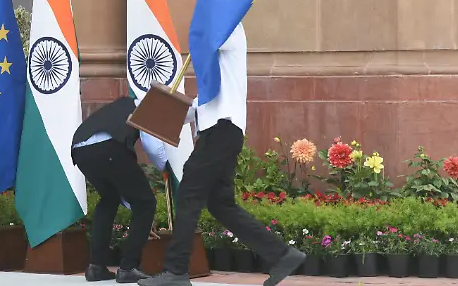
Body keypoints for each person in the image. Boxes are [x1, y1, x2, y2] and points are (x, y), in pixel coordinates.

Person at [139, 24, 304, 286]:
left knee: (190, 194)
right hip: (220, 131)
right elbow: (201, 107)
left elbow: (208, 38)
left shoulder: (229, 30)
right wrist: (160, 112)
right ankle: (282, 255)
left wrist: (207, 13)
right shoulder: (217, 73)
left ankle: (176, 271)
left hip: (221, 131)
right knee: (220, 204)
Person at [72, 95, 172, 283]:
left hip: (80, 150)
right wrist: (167, 168)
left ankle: (96, 267)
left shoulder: (123, 104)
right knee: (145, 202)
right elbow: (153, 148)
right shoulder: (148, 108)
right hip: (108, 148)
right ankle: (128, 267)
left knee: (109, 199)